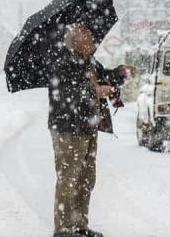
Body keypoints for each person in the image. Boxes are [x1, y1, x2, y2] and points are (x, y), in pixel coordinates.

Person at [45, 24, 135, 237]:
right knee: (69, 177)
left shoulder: (89, 61)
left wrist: (121, 72)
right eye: (88, 37)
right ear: (75, 41)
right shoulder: (62, 62)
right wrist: (94, 90)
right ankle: (64, 228)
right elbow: (66, 93)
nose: (93, 41)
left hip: (87, 126)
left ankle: (79, 225)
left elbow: (105, 75)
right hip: (68, 128)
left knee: (86, 178)